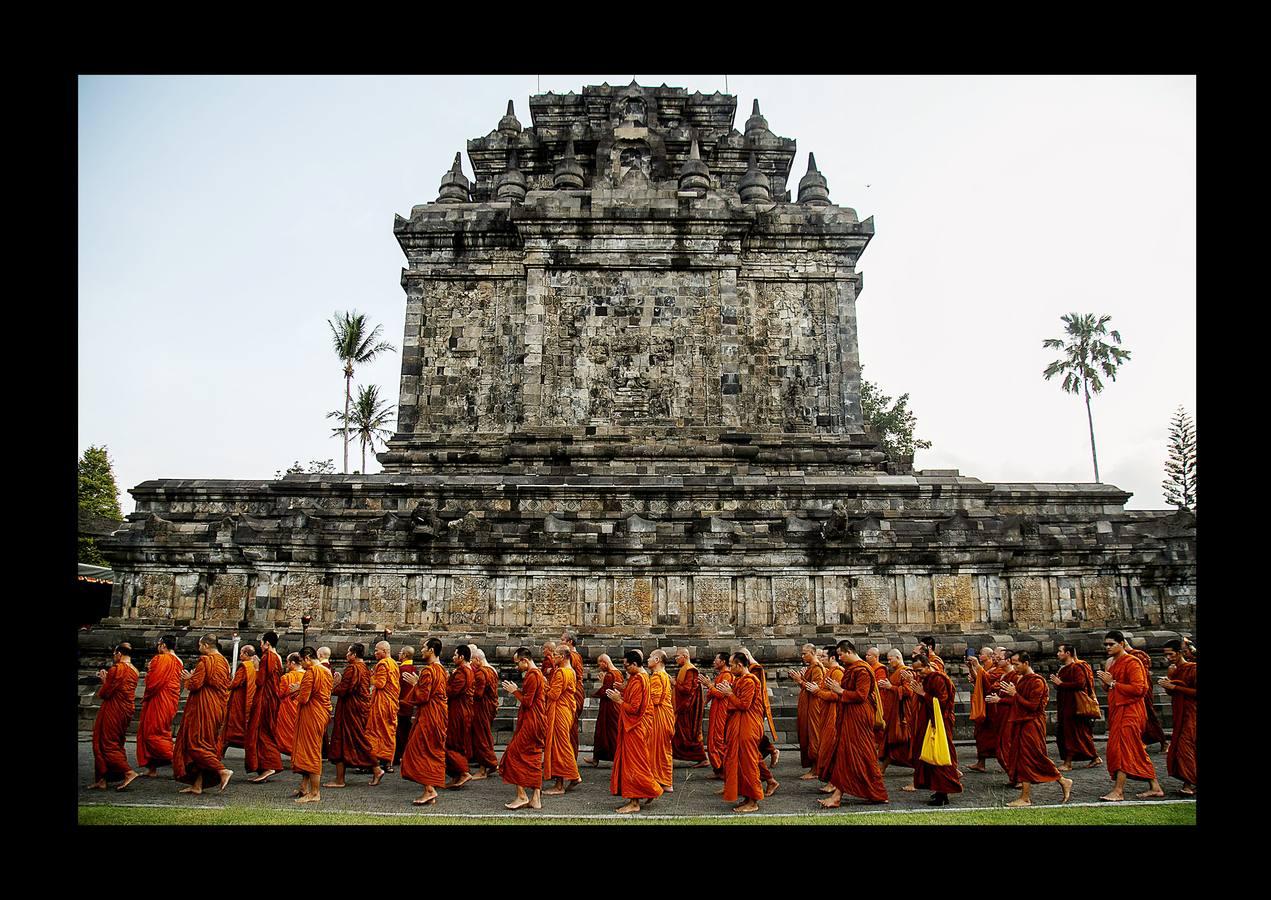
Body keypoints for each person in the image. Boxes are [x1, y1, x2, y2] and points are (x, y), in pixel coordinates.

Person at [995, 651, 1072, 807]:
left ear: (1026, 663)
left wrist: (1015, 694)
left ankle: (1061, 780)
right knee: (1022, 759)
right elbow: (1017, 701)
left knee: (1034, 756)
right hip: (1020, 723)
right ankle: (1025, 796)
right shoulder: (1022, 680)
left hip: (1032, 724)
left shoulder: (1037, 682)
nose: (1014, 667)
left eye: (1017, 664)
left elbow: (1033, 706)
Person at [819, 640, 888, 808]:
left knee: (862, 753)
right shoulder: (853, 669)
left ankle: (876, 792)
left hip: (859, 715)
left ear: (849, 652)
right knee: (847, 754)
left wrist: (840, 690)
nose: (840, 658)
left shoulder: (862, 670)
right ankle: (838, 795)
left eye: (841, 654)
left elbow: (861, 695)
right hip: (850, 713)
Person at [1097, 631, 1164, 801]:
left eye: (1111, 644)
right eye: (1106, 645)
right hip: (1118, 710)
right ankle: (1155, 786)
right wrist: (1105, 683)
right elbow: (1110, 688)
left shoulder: (1133, 662)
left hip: (1131, 711)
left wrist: (1112, 682)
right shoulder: (1111, 662)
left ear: (1122, 643)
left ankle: (1118, 791)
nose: (1108, 647)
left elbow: (1140, 689)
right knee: (1133, 749)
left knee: (1122, 749)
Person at [172, 634, 233, 795]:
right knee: (206, 742)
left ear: (205, 645)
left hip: (204, 706)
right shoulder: (224, 662)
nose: (199, 649)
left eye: (200, 645)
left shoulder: (205, 661)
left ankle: (222, 770)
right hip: (218, 706)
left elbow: (195, 684)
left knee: (195, 743)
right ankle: (197, 784)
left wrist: (188, 678)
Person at [606, 649, 663, 813]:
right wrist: (624, 691)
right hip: (638, 726)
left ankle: (635, 801)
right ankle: (649, 789)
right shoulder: (640, 677)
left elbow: (634, 708)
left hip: (635, 726)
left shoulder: (639, 680)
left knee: (634, 764)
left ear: (635, 664)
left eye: (626, 666)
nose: (625, 669)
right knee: (640, 762)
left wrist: (618, 700)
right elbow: (635, 699)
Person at [906, 653, 961, 806]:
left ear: (928, 666)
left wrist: (923, 693)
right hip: (930, 720)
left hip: (940, 722)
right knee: (930, 754)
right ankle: (938, 791)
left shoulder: (938, 679)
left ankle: (943, 794)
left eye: (920, 670)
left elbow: (942, 702)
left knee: (940, 754)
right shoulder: (927, 679)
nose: (918, 674)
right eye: (915, 671)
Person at [714, 652, 765, 813]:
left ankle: (753, 801)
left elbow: (744, 705)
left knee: (748, 763)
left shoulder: (750, 681)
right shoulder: (739, 680)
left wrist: (729, 693)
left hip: (748, 726)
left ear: (740, 665)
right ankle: (746, 796)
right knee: (738, 762)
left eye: (731, 664)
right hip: (739, 725)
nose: (730, 668)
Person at [400, 638, 448, 806]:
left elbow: (423, 696)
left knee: (417, 750)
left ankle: (429, 789)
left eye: (424, 648)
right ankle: (429, 790)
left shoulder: (429, 671)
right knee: (431, 750)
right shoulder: (442, 670)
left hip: (429, 716)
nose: (421, 650)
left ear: (432, 650)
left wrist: (415, 684)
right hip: (439, 715)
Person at [326, 643, 380, 788]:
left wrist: (333, 686)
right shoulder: (364, 668)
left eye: (348, 653)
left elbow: (345, 689)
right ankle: (340, 779)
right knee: (346, 740)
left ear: (354, 654)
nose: (346, 655)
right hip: (357, 708)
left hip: (351, 709)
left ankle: (376, 768)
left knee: (351, 739)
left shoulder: (353, 668)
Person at [500, 647, 547, 810]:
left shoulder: (533, 675)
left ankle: (521, 795)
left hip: (532, 721)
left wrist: (514, 691)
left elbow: (528, 702)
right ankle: (536, 798)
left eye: (517, 663)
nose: (516, 667)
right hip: (537, 719)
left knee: (513, 754)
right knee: (533, 757)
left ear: (524, 660)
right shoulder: (537, 674)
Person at [91, 642, 141, 791]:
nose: (114, 657)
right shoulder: (135, 670)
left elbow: (105, 693)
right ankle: (102, 779)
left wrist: (104, 681)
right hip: (125, 709)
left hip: (114, 708)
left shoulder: (117, 669)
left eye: (114, 654)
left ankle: (128, 772)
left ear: (119, 654)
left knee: (107, 743)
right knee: (115, 741)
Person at [135, 635, 182, 778]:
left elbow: (152, 683)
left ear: (163, 645)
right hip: (168, 700)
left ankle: (178, 760)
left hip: (159, 699)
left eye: (159, 644)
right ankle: (152, 768)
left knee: (153, 734)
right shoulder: (178, 660)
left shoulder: (161, 659)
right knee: (157, 731)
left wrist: (150, 670)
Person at [290, 646, 332, 803]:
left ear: (307, 658)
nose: (302, 664)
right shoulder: (326, 671)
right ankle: (304, 787)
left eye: (302, 661)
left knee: (310, 751)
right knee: (308, 749)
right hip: (321, 713)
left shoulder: (311, 672)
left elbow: (304, 698)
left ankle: (315, 792)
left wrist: (296, 690)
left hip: (311, 715)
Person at [1050, 643, 1101, 770]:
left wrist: (1061, 684)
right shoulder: (1063, 669)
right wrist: (1057, 683)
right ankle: (1095, 757)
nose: (1058, 654)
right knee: (1071, 734)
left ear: (1068, 653)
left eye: (1060, 651)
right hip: (1065, 705)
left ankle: (1068, 763)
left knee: (1073, 734)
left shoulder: (1077, 667)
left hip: (1075, 706)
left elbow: (1080, 683)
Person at [740, 648, 780, 794]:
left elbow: (745, 701)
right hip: (745, 717)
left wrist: (728, 694)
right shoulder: (749, 672)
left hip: (751, 714)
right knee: (746, 751)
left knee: (751, 751)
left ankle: (769, 780)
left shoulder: (753, 672)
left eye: (733, 664)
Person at [246, 631, 284, 783]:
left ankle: (270, 765)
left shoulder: (268, 657)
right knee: (265, 730)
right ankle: (264, 766)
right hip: (272, 698)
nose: (260, 646)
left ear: (267, 643)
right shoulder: (278, 658)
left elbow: (260, 681)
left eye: (262, 643)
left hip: (265, 698)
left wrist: (256, 667)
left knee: (261, 731)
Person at [1159, 639, 1196, 796]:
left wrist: (1175, 686)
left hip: (1192, 712)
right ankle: (1187, 781)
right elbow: (1172, 693)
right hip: (1179, 712)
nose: (1168, 658)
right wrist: (1168, 684)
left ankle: (1189, 783)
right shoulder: (1173, 669)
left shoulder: (1192, 669)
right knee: (1181, 746)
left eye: (1171, 654)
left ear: (1180, 653)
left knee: (1185, 746)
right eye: (1166, 655)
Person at [544, 645, 582, 795]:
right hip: (566, 710)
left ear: (562, 656)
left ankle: (561, 784)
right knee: (562, 744)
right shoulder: (571, 671)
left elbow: (554, 695)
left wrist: (544, 684)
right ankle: (572, 776)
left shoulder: (561, 672)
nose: (553, 658)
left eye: (555, 655)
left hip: (560, 710)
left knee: (559, 746)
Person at [1121, 634, 1169, 752]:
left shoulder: (1137, 655)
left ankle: (1163, 742)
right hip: (1132, 691)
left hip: (1142, 690)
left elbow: (1142, 674)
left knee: (1149, 716)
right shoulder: (1127, 657)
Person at [789, 643, 826, 780]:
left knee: (814, 735)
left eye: (805, 653)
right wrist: (800, 680)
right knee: (807, 734)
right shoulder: (811, 668)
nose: (802, 656)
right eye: (802, 653)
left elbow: (815, 688)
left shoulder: (817, 668)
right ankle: (813, 767)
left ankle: (816, 769)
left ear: (813, 653)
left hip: (814, 706)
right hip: (807, 704)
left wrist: (800, 680)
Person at [811, 645, 845, 792]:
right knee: (826, 748)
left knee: (831, 749)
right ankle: (831, 781)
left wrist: (817, 691)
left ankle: (834, 783)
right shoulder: (829, 671)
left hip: (834, 714)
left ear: (832, 658)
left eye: (823, 656)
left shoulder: (837, 673)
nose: (820, 659)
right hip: (826, 713)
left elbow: (836, 696)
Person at [366, 640, 400, 785]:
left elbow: (380, 683)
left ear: (385, 651)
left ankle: (376, 763)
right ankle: (387, 762)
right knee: (388, 731)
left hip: (382, 704)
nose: (374, 653)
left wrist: (370, 676)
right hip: (390, 702)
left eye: (376, 651)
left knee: (373, 733)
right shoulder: (394, 663)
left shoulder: (383, 664)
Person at [877, 648, 913, 777]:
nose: (888, 662)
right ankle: (882, 767)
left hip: (902, 713)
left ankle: (922, 766)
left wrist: (890, 687)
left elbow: (909, 691)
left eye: (890, 659)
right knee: (892, 741)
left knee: (899, 741)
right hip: (894, 712)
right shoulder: (896, 672)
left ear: (898, 657)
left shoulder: (905, 672)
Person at [444, 643, 475, 789]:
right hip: (462, 709)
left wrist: (444, 681)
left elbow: (452, 691)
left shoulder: (463, 672)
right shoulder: (466, 670)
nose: (453, 657)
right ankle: (456, 774)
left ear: (461, 657)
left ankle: (463, 772)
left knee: (451, 742)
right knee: (455, 742)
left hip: (458, 711)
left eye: (455, 655)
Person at [468, 645, 501, 779]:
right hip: (490, 706)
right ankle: (489, 764)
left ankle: (484, 768)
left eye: (472, 660)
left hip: (481, 707)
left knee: (481, 737)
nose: (471, 663)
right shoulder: (492, 671)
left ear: (477, 659)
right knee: (485, 735)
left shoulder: (481, 673)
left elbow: (478, 694)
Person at [698, 652, 732, 779]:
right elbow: (713, 693)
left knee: (718, 740)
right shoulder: (721, 676)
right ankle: (718, 769)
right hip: (716, 711)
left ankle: (723, 769)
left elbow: (721, 694)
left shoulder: (727, 676)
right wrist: (704, 702)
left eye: (716, 659)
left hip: (721, 712)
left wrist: (709, 685)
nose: (713, 662)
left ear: (723, 662)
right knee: (712, 740)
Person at [965, 646, 999, 773]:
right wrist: (971, 668)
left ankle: (1005, 762)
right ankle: (981, 762)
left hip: (992, 706)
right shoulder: (986, 667)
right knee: (980, 734)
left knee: (992, 735)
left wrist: (977, 666)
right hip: (984, 703)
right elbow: (979, 678)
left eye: (981, 654)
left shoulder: (998, 669)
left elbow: (988, 681)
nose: (979, 655)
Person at [672, 647, 708, 766]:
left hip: (687, 708)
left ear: (685, 656)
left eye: (678, 656)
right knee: (679, 733)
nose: (676, 659)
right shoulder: (684, 669)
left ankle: (702, 757)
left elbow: (687, 690)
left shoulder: (690, 670)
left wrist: (675, 684)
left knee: (688, 734)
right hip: (683, 706)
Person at [586, 653, 624, 767]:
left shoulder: (610, 675)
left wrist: (595, 693)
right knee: (604, 732)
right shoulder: (619, 672)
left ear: (604, 663)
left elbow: (606, 691)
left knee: (608, 732)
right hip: (614, 706)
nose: (599, 667)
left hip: (609, 707)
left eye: (600, 664)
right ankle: (596, 758)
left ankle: (617, 758)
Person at [990, 647, 1021, 787]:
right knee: (1000, 749)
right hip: (1001, 716)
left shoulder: (1016, 677)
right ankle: (1013, 776)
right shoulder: (1003, 676)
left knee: (1007, 747)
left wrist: (1000, 700)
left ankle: (1019, 777)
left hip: (1011, 716)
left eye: (1000, 658)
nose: (996, 659)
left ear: (1008, 661)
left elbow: (1019, 699)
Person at [647, 649, 676, 793]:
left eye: (650, 657)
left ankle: (662, 780)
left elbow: (655, 699)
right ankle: (664, 780)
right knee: (662, 749)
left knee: (656, 748)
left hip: (659, 716)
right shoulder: (664, 676)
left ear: (657, 660)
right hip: (665, 716)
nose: (648, 660)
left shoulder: (657, 677)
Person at [221, 644, 257, 754]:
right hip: (248, 697)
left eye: (241, 653)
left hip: (239, 699)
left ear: (246, 654)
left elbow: (235, 683)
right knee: (245, 723)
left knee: (234, 723)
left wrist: (225, 683)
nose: (240, 655)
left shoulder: (244, 666)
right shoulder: (254, 665)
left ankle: (228, 743)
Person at [392, 646, 417, 771]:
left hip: (400, 703)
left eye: (401, 653)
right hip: (409, 704)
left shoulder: (401, 670)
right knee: (406, 730)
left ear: (405, 655)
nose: (398, 654)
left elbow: (396, 688)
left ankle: (396, 756)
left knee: (398, 732)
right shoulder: (414, 669)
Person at [561, 631, 586, 758]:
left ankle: (568, 758)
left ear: (570, 642)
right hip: (575, 690)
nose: (561, 643)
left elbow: (571, 677)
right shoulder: (576, 656)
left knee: (569, 726)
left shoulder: (571, 657)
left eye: (563, 640)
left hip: (573, 692)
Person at [275, 652, 304, 756]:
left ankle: (292, 751)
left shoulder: (286, 677)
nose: (287, 665)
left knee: (286, 733)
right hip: (301, 708)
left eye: (287, 662)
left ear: (292, 663)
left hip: (287, 709)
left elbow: (279, 693)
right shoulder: (307, 675)